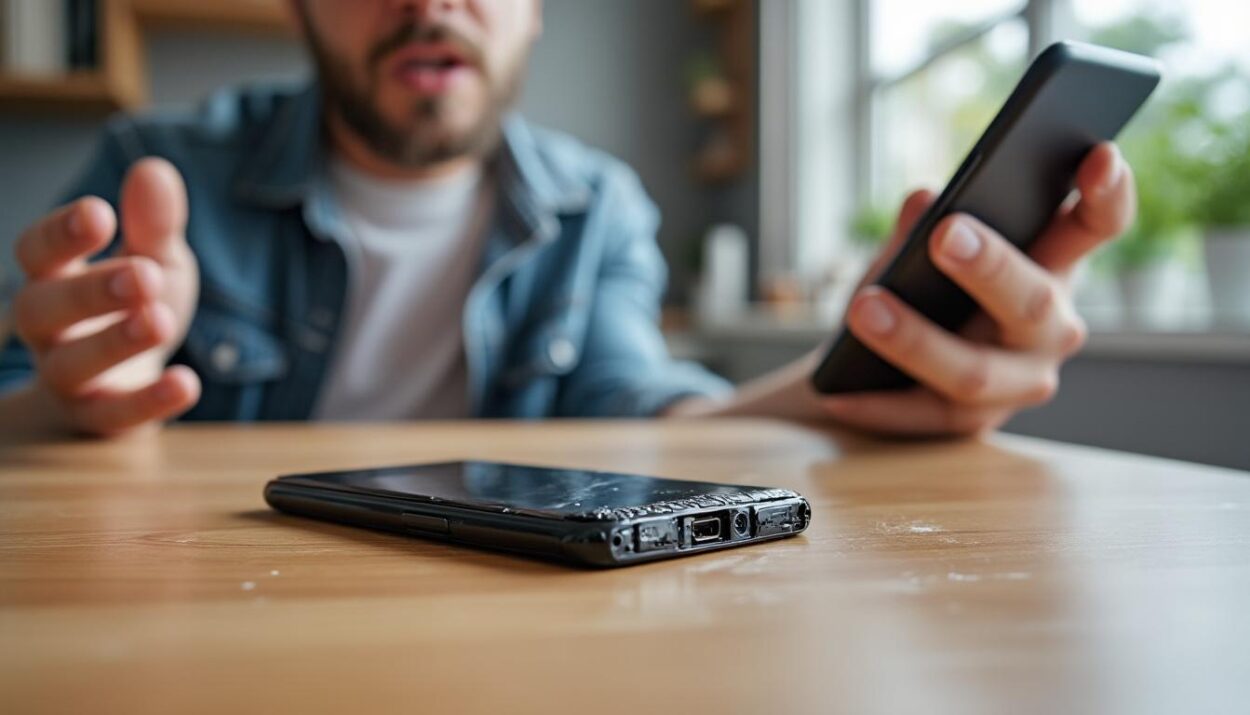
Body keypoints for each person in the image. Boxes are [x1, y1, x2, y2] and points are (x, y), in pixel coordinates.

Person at [0, 0, 1134, 439]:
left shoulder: (598, 206)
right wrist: (58, 409)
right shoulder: (155, 168)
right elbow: (17, 406)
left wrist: (882, 362)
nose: (429, 1)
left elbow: (644, 418)